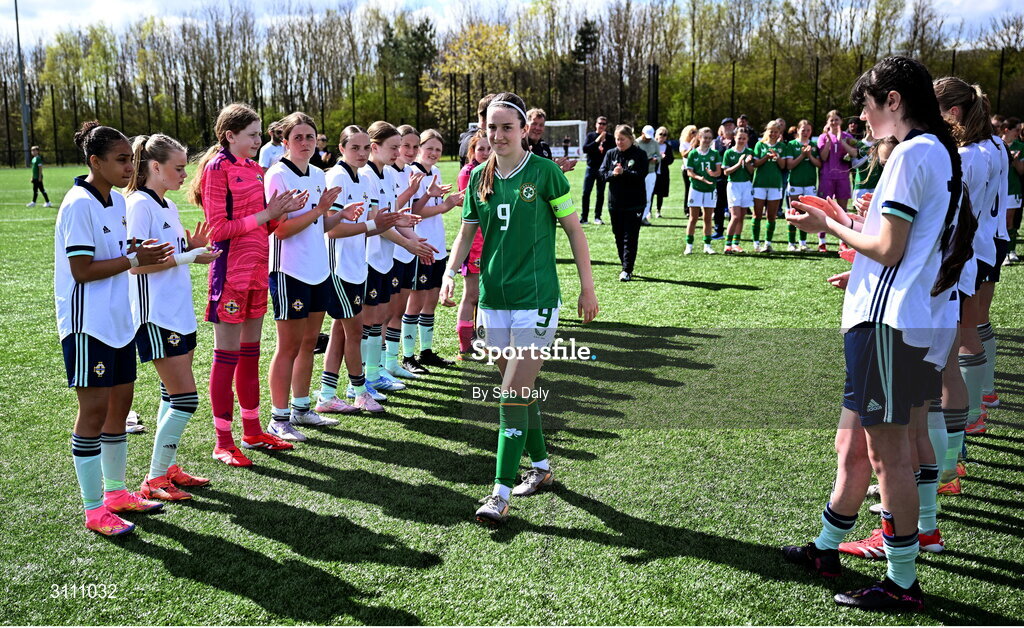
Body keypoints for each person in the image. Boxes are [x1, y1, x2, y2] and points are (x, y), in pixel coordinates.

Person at [783, 56, 967, 612]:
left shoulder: (914, 152)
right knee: (854, 443)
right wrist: (850, 234)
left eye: (867, 104)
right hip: (897, 315)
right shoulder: (934, 152)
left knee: (888, 455)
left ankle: (902, 581)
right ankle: (826, 546)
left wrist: (829, 225)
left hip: (890, 324)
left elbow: (890, 248)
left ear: (893, 101)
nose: (861, 117)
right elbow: (901, 245)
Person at [440, 92, 598, 525]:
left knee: (511, 394)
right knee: (520, 394)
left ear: (524, 129)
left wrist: (588, 287)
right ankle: (543, 469)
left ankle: (500, 493)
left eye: (507, 126)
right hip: (494, 300)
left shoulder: (546, 173)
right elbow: (466, 231)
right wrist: (450, 272)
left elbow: (574, 232)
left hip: (537, 301)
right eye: (491, 127)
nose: (498, 134)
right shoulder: (477, 178)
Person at [57, 121, 174, 535]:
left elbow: (121, 253)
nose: (129, 167)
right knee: (92, 412)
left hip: (119, 322)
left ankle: (116, 494)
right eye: (121, 160)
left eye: (131, 159)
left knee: (119, 408)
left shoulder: (114, 203)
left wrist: (140, 253)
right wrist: (133, 260)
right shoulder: (78, 203)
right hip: (88, 325)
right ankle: (93, 511)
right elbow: (82, 270)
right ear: (96, 161)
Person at [188, 104, 307, 467]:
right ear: (230, 136)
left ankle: (252, 430)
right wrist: (267, 215)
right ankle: (223, 441)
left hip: (259, 272)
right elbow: (218, 229)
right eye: (253, 134)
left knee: (251, 353)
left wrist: (280, 213)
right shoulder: (216, 169)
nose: (260, 140)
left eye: (259, 134)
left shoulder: (258, 171)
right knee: (226, 357)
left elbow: (263, 227)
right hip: (229, 275)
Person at [125, 133, 221, 501]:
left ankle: (166, 469)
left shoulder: (166, 205)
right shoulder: (137, 205)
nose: (185, 174)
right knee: (185, 399)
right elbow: (134, 267)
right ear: (155, 167)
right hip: (156, 316)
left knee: (171, 396)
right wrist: (187, 257)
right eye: (179, 168)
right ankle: (153, 478)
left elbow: (167, 255)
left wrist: (191, 249)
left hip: (178, 313)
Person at [265, 112, 364, 442]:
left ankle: (302, 407)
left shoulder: (318, 174)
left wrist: (338, 215)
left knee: (309, 343)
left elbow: (319, 226)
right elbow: (279, 230)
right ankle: (278, 418)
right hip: (289, 271)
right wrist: (320, 210)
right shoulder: (277, 175)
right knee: (288, 346)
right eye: (298, 138)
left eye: (310, 137)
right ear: (285, 142)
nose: (305, 143)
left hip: (318, 270)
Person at [317, 126, 416, 415]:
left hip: (356, 266)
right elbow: (332, 230)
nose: (361, 153)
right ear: (342, 148)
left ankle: (326, 393)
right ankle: (359, 390)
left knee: (342, 331)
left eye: (364, 147)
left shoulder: (360, 177)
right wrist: (375, 226)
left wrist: (392, 221)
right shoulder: (336, 175)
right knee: (354, 330)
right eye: (355, 148)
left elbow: (371, 224)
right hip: (339, 268)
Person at [361, 122, 441, 392]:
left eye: (409, 146)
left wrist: (414, 238)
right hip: (376, 256)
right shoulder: (370, 175)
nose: (404, 151)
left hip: (392, 253)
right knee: (367, 321)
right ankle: (363, 379)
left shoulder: (389, 174)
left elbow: (394, 215)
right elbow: (379, 222)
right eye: (399, 146)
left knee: (387, 313)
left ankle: (381, 368)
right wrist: (409, 242)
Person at [405, 129, 465, 370]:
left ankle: (426, 352)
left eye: (438, 150)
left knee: (430, 300)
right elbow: (413, 212)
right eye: (429, 148)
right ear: (419, 148)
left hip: (438, 245)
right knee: (416, 301)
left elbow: (436, 207)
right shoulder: (413, 173)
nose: (433, 153)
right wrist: (446, 205)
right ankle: (408, 357)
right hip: (420, 244)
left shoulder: (436, 172)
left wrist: (449, 203)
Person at [599, 124, 648, 280]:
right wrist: (613, 174)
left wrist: (624, 172)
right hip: (615, 203)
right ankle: (625, 265)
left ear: (630, 138)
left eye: (622, 139)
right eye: (617, 139)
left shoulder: (639, 154)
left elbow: (641, 174)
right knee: (618, 236)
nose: (619, 142)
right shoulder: (610, 154)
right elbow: (602, 173)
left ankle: (627, 269)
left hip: (635, 203)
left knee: (630, 236)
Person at [456, 132, 490, 351]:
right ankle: (465, 346)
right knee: (471, 295)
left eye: (489, 149)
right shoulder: (470, 173)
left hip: (493, 242)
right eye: (480, 149)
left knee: (488, 294)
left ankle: (483, 338)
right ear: (471, 152)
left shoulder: (498, 170)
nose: (485, 153)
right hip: (474, 243)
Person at [817, 110, 859, 252]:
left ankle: (843, 241)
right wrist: (829, 140)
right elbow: (823, 157)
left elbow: (854, 153)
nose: (834, 123)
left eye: (836, 120)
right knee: (824, 209)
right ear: (827, 123)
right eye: (831, 120)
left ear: (841, 122)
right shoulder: (823, 137)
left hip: (842, 177)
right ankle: (822, 241)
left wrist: (841, 141)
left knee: (843, 210)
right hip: (827, 177)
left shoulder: (848, 136)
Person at [750, 120, 788, 252]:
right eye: (771, 131)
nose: (773, 134)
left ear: (779, 133)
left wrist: (777, 158)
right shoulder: (759, 145)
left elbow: (783, 166)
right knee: (757, 215)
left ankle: (768, 243)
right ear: (767, 131)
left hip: (775, 185)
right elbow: (755, 164)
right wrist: (765, 157)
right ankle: (756, 243)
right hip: (760, 184)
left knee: (771, 216)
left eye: (776, 131)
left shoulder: (782, 146)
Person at [785, 120, 822, 251]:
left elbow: (819, 164)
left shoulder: (813, 145)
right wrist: (802, 155)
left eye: (808, 130)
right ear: (798, 130)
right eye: (803, 130)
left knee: (806, 213)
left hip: (810, 184)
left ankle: (803, 243)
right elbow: (789, 165)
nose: (805, 132)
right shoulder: (791, 144)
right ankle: (791, 243)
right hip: (795, 183)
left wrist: (809, 155)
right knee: (794, 212)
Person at [684, 127, 722, 255]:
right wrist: (698, 177)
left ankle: (707, 245)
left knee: (707, 218)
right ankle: (689, 245)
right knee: (693, 218)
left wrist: (713, 173)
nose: (707, 140)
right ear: (699, 138)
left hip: (710, 189)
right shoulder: (693, 153)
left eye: (709, 138)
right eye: (705, 137)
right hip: (696, 188)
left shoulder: (715, 154)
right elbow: (689, 172)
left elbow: (719, 172)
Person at [722, 127, 755, 253]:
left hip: (746, 185)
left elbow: (752, 171)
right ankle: (727, 244)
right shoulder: (729, 153)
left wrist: (747, 163)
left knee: (741, 216)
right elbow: (726, 172)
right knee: (735, 216)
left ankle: (736, 243)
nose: (741, 140)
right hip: (733, 185)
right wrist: (739, 163)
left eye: (744, 138)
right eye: (739, 138)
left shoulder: (750, 151)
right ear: (734, 138)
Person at [581, 116, 615, 225]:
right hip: (591, 168)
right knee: (586, 193)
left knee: (600, 194)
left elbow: (613, 151)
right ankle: (584, 218)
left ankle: (597, 217)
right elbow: (585, 149)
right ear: (596, 124)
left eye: (604, 124)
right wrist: (597, 141)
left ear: (606, 126)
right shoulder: (591, 136)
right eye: (600, 123)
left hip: (602, 170)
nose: (601, 125)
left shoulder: (609, 138)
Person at [526, 108, 576, 173]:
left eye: (541, 125)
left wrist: (560, 170)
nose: (537, 128)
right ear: (526, 125)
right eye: (534, 124)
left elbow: (547, 178)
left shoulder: (545, 147)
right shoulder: (520, 146)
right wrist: (552, 167)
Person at [1002, 118, 1023, 264]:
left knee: (1009, 220)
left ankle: (1010, 251)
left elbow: (1022, 170)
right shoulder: (996, 144)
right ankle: (1002, 252)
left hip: (1013, 188)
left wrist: (1014, 160)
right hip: (997, 189)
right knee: (999, 221)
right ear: (1006, 130)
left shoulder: (1020, 146)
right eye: (1017, 130)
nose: (1019, 133)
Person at [712, 118, 737, 238]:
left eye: (730, 125)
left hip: (735, 178)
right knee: (719, 205)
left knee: (734, 206)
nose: (728, 127)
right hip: (720, 178)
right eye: (725, 125)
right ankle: (718, 230)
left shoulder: (738, 140)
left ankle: (733, 231)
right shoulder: (716, 142)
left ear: (734, 127)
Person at [637, 125, 661, 225]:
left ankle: (644, 217)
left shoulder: (654, 143)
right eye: (646, 136)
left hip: (651, 172)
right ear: (642, 133)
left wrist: (656, 160)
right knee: (637, 195)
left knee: (648, 196)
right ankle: (636, 216)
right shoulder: (636, 143)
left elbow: (659, 155)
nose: (648, 139)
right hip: (638, 173)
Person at [652, 126, 675, 219]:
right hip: (652, 172)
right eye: (661, 134)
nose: (662, 136)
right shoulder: (652, 144)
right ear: (656, 135)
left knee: (660, 193)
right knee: (651, 192)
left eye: (665, 135)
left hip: (663, 173)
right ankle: (648, 211)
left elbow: (671, 160)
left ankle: (658, 211)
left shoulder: (667, 146)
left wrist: (665, 158)